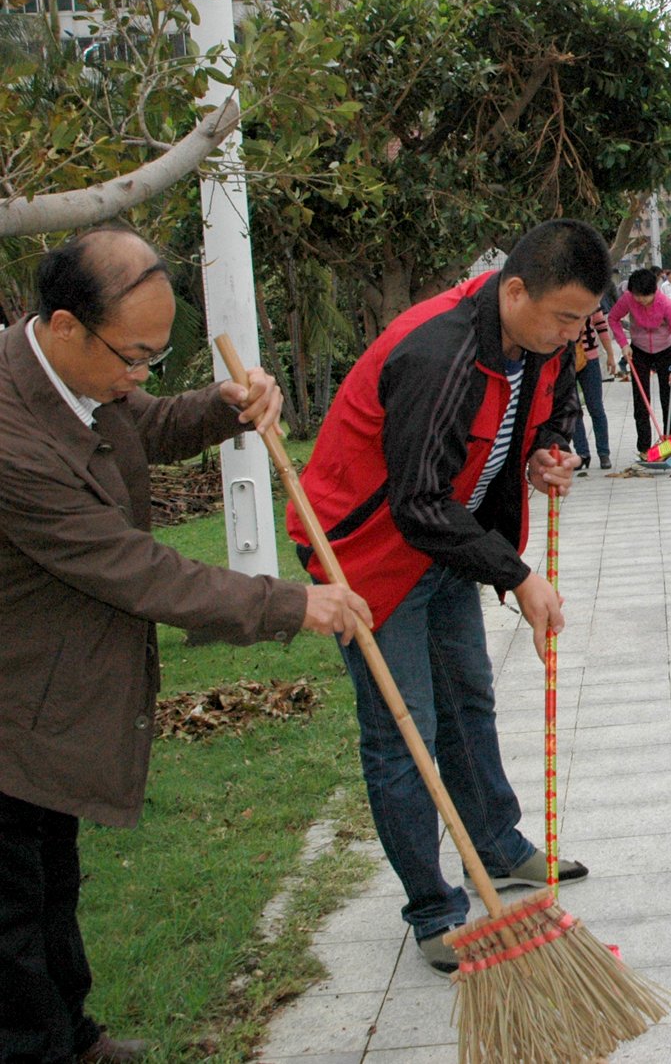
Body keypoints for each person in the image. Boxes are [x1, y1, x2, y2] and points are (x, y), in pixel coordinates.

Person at [0, 226, 369, 1062]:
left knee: (52, 883)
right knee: (10, 918)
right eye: (134, 355)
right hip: (8, 708)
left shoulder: (69, 373)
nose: (139, 376)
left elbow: (146, 425)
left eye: (155, 358)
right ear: (64, 326)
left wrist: (225, 404)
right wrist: (287, 603)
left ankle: (76, 1031)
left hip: (40, 710)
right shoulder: (10, 440)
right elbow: (133, 569)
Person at [294, 218, 602, 974]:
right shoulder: (439, 350)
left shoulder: (534, 342)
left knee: (469, 699)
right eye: (562, 317)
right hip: (367, 554)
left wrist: (544, 452)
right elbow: (418, 503)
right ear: (515, 288)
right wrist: (519, 575)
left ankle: (494, 846)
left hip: (443, 541)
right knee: (406, 735)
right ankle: (434, 910)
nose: (569, 336)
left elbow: (550, 405)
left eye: (581, 321)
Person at [608, 266, 671, 465]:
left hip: (665, 352)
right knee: (641, 401)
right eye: (637, 296)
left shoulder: (665, 304)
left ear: (655, 291)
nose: (641, 300)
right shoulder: (628, 299)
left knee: (668, 399)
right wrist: (624, 345)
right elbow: (613, 319)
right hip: (639, 352)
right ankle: (644, 449)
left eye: (646, 296)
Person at [570, 292, 617, 472]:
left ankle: (603, 453)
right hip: (565, 361)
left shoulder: (591, 300)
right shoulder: (558, 300)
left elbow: (601, 326)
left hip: (590, 359)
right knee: (573, 410)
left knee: (595, 407)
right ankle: (582, 454)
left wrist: (610, 355)